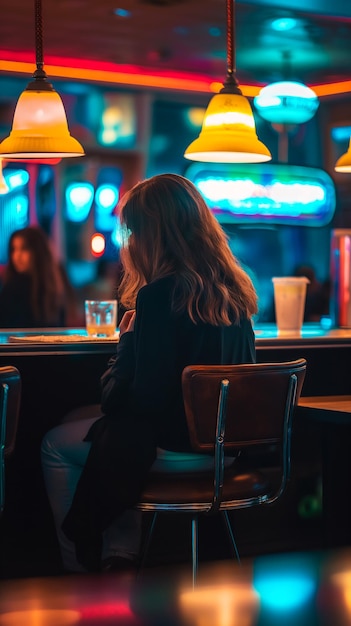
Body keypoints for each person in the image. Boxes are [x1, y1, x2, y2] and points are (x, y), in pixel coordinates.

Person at [41, 173, 258, 573]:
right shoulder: (237, 292)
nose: (129, 242)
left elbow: (134, 403)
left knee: (58, 442)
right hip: (227, 450)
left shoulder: (158, 296)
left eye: (131, 231)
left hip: (178, 448)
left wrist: (127, 339)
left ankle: (78, 572)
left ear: (151, 235)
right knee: (91, 426)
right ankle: (119, 553)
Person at [0, 226, 66, 328]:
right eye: (14, 249)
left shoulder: (53, 288)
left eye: (24, 249)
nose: (17, 255)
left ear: (38, 253)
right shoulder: (12, 285)